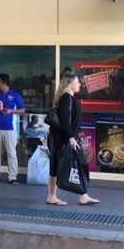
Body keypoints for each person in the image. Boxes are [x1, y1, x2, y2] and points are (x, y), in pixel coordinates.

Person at [46, 68, 99, 206]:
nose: (79, 84)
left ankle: (79, 195)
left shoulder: (67, 98)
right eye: (77, 82)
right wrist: (71, 137)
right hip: (65, 139)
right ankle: (58, 196)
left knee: (61, 166)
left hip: (65, 138)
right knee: (74, 164)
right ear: (70, 84)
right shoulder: (66, 99)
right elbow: (65, 120)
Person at [0, 73, 25, 184]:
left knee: (11, 153)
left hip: (10, 129)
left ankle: (12, 177)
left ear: (4, 83)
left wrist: (11, 111)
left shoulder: (15, 95)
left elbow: (22, 110)